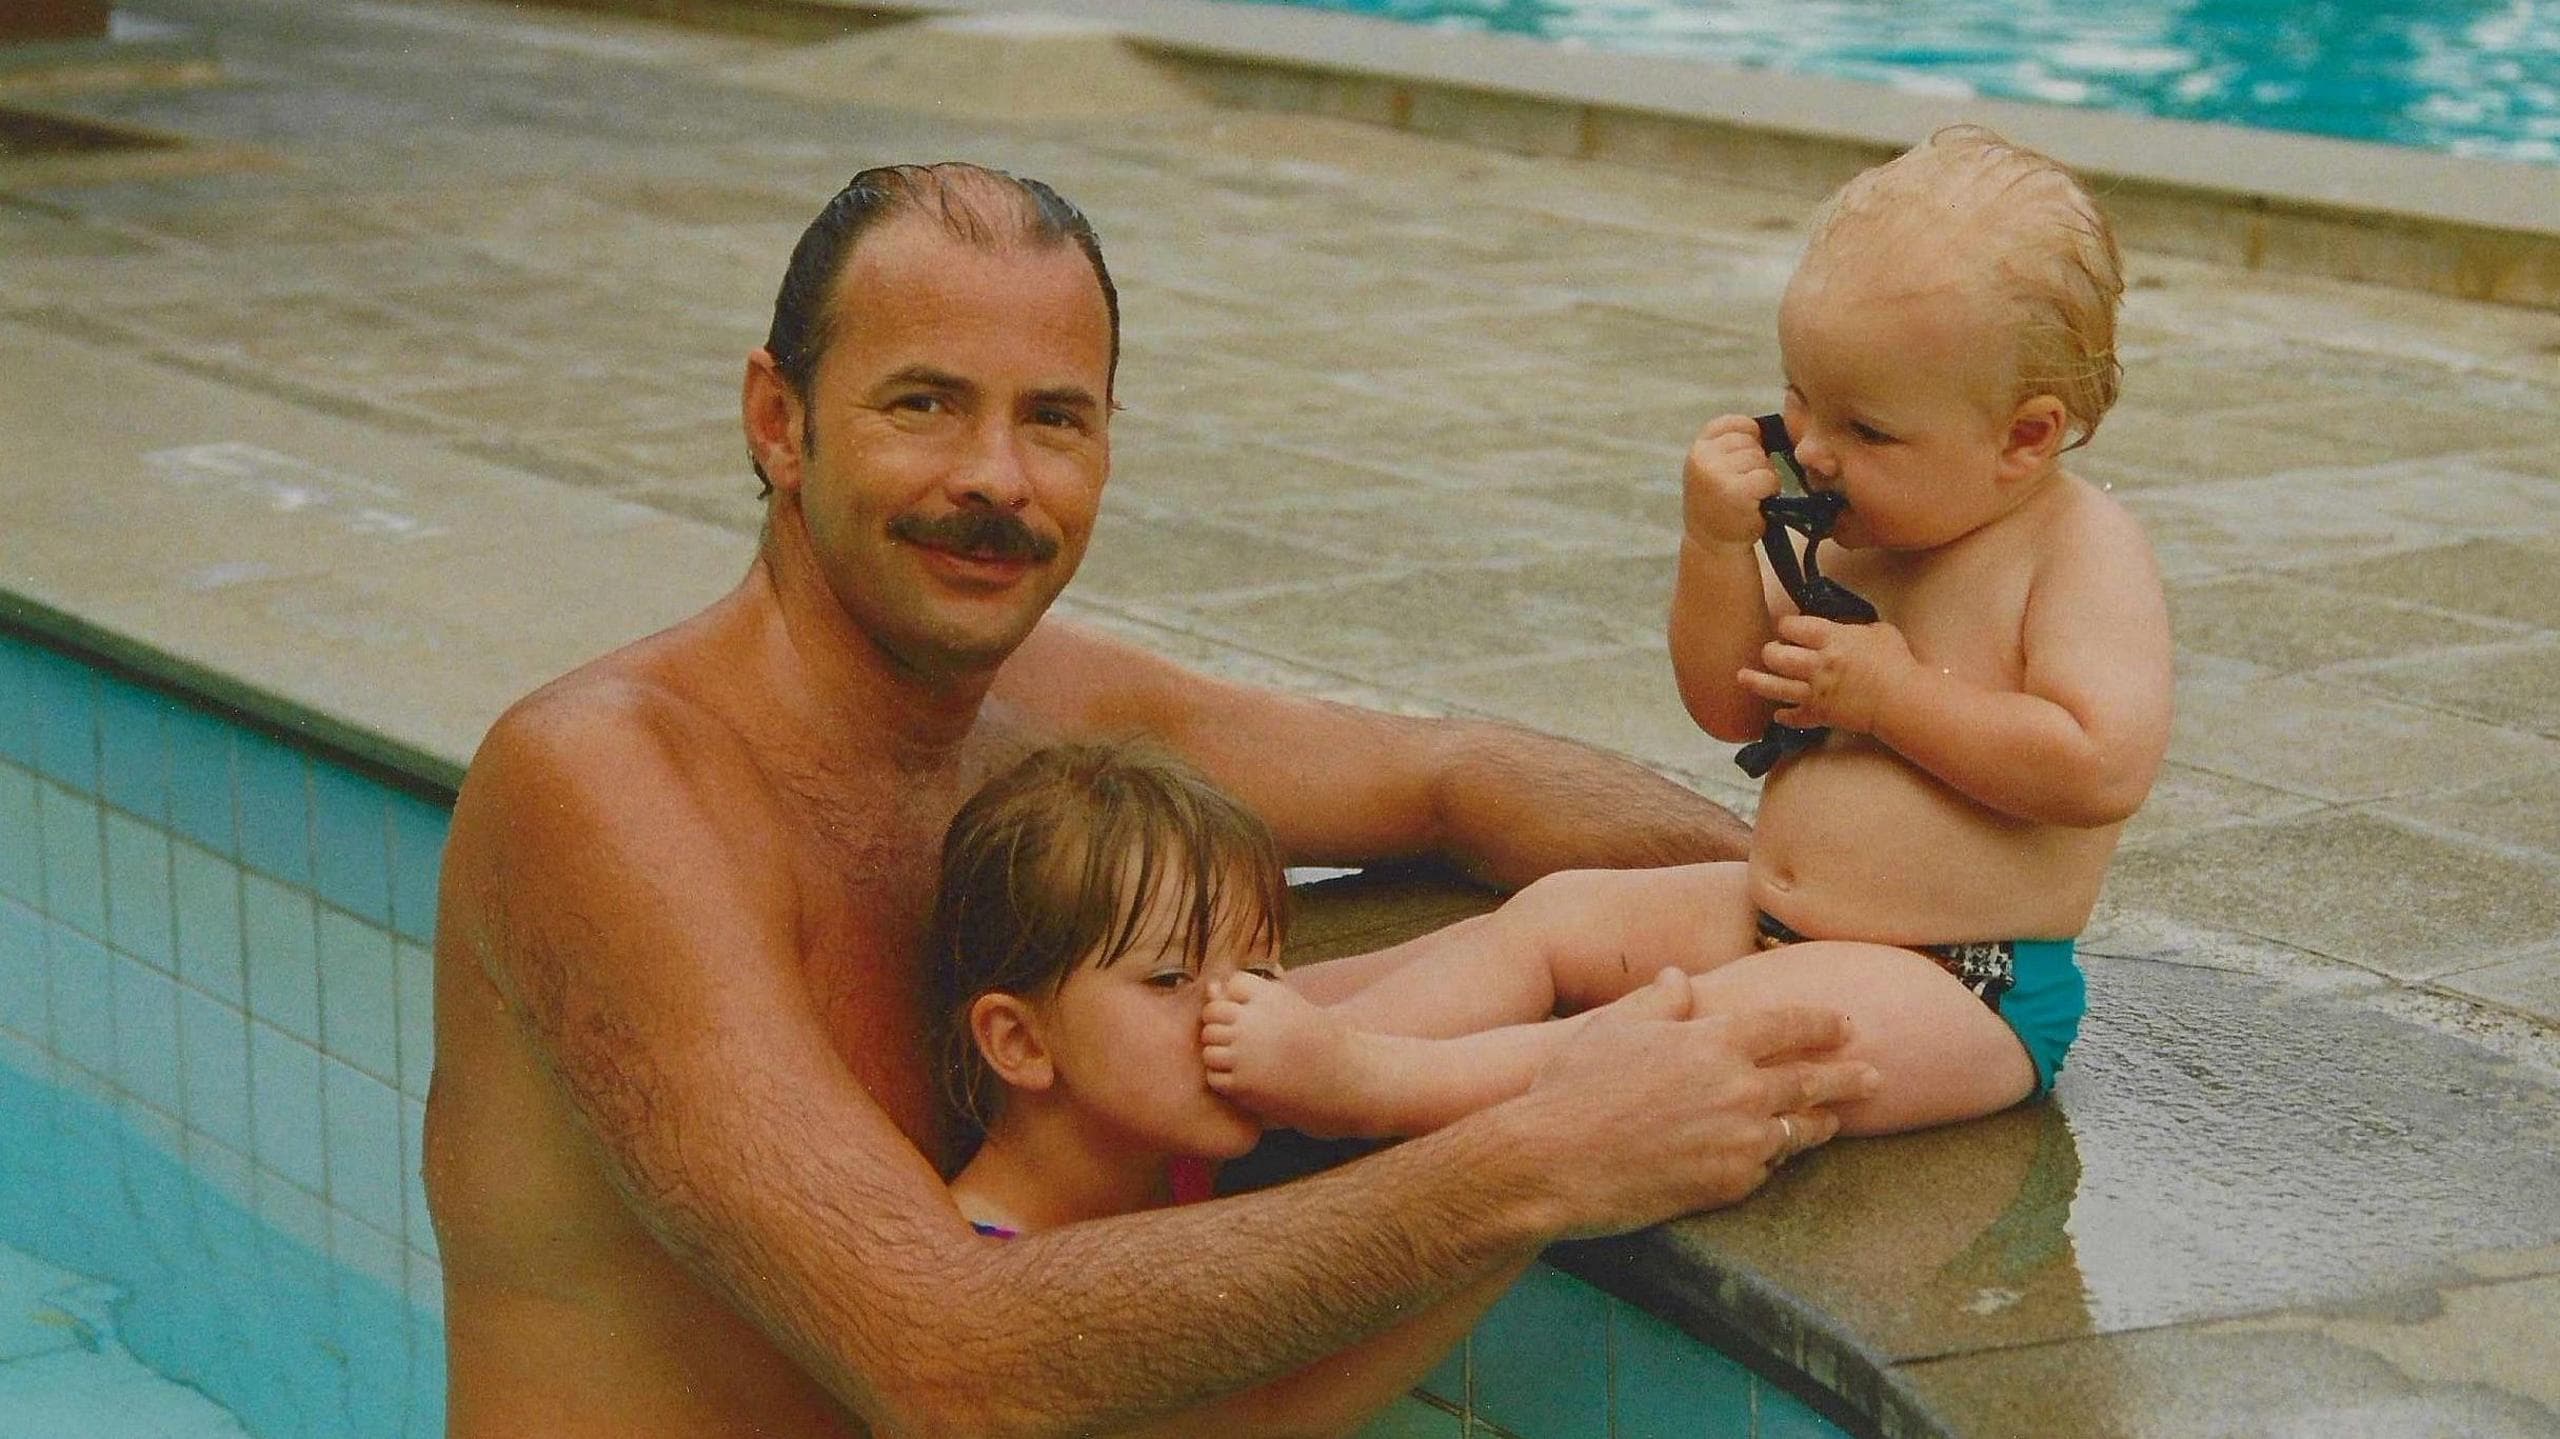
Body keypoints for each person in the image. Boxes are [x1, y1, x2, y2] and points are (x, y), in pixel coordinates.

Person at [425, 160, 1881, 1439]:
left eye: (1054, 419)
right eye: (924, 404)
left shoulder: (1040, 709)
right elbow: (943, 1357)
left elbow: (1457, 782)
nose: (996, 480)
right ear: (780, 420)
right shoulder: (608, 784)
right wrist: (1546, 1149)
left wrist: (1914, 924)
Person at [1200, 126, 2173, 1144]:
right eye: (1799, 398)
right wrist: (1713, 546)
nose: (1813, 450)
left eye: (1868, 430)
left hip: (1961, 980)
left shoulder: (2076, 548)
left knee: (1694, 1031)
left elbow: (2097, 766)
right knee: (1560, 911)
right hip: (1771, 915)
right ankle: (1301, 1020)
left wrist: (1892, 698)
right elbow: (1728, 704)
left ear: (2024, 436)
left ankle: (1379, 1082)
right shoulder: (1856, 528)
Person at [929, 740, 1561, 1437]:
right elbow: (1266, 1417)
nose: (1239, 1014)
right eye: (1170, 979)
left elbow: (1497, 957)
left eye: (1260, 974)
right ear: (1019, 1041)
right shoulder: (991, 1281)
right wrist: (1534, 1180)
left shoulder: (1166, 1161)